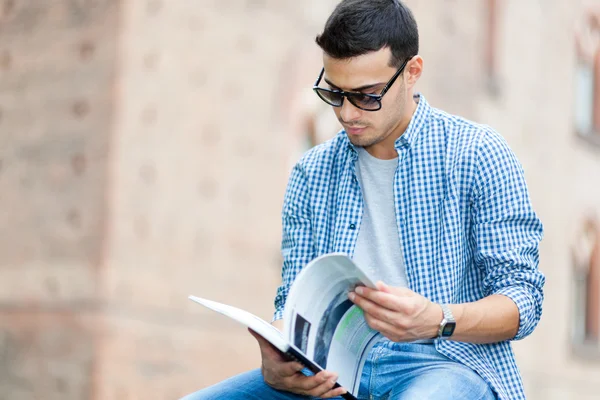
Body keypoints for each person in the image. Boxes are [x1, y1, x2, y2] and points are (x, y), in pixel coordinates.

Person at [182, 0, 544, 399]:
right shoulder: (312, 172)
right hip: (332, 373)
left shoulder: (477, 153)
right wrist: (278, 357)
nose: (348, 113)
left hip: (449, 365)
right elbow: (292, 298)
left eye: (367, 95)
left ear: (412, 73)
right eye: (334, 93)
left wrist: (437, 319)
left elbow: (523, 299)